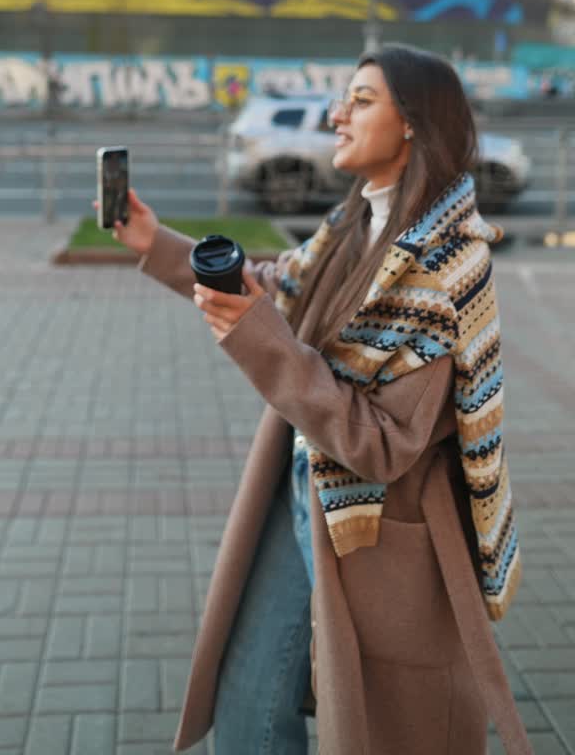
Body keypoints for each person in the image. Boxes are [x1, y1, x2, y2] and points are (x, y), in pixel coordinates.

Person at [104, 44, 532, 755]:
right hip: (302, 495)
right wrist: (156, 243)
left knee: (381, 727)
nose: (337, 114)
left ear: (413, 127)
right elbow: (273, 285)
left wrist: (261, 341)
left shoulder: (450, 264)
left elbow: (385, 445)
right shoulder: (355, 223)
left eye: (361, 101)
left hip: (374, 533)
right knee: (245, 701)